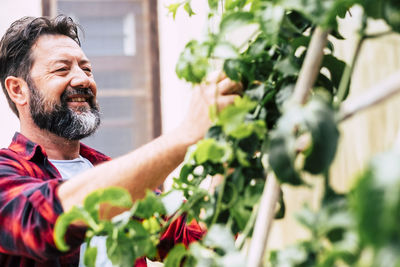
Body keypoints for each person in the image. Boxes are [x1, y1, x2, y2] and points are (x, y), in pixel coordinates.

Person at [0, 15, 242, 267]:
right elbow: (45, 220)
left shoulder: (110, 173)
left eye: (86, 68)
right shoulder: (6, 174)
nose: (83, 79)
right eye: (62, 69)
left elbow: (202, 244)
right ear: (18, 90)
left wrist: (230, 140)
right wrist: (186, 134)